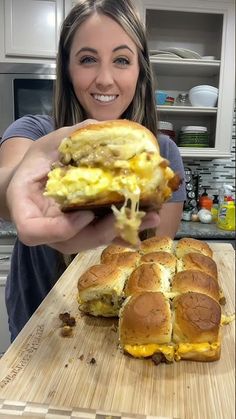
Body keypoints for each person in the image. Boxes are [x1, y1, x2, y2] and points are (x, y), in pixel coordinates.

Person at [0, 0, 186, 341]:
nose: (104, 79)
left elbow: (157, 252)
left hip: (120, 334)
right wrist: (18, 186)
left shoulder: (163, 154)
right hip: (35, 337)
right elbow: (6, 183)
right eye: (87, 59)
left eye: (121, 60)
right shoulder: (33, 132)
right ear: (68, 70)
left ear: (140, 71)